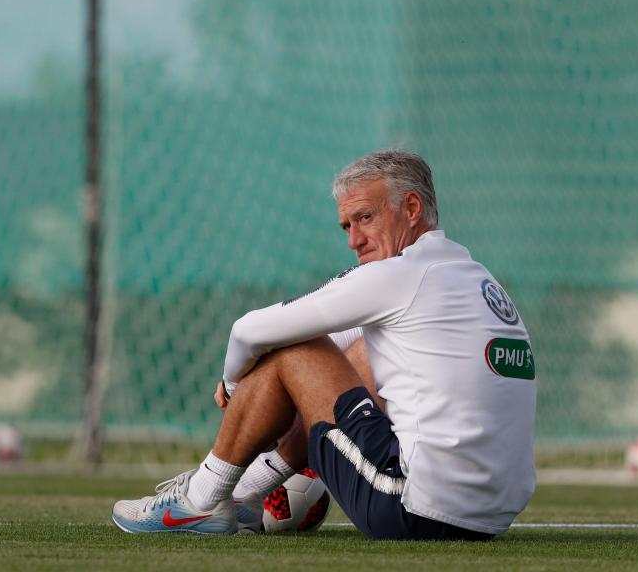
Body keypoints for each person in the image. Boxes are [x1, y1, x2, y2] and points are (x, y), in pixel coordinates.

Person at [112, 149, 536, 540]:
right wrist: (272, 394)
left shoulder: (399, 275)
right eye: (347, 226)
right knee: (358, 355)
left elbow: (248, 331)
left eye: (365, 218)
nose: (354, 240)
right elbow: (340, 349)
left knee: (292, 347)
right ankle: (245, 493)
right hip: (488, 519)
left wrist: (236, 385)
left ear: (411, 208)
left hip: (412, 507)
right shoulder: (471, 276)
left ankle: (201, 500)